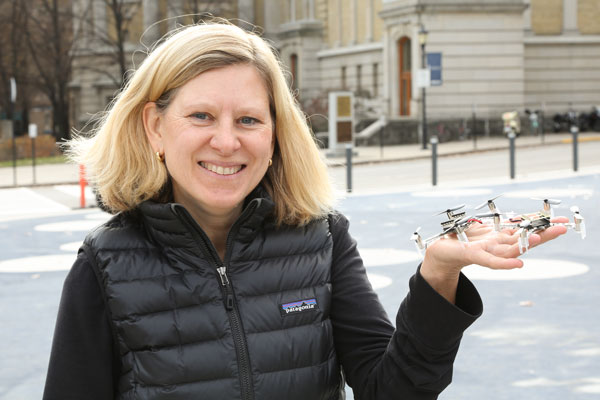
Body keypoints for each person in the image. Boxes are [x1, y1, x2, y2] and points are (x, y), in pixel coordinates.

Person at [43, 21, 567, 400]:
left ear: (275, 135)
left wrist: (437, 277)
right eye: (201, 115)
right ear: (155, 127)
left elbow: (394, 390)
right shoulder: (106, 263)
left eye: (249, 119)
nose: (226, 142)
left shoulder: (322, 239)